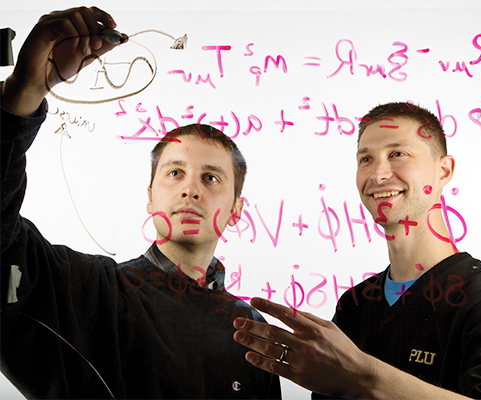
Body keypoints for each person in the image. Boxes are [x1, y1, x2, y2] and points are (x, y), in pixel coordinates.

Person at [0, 6, 281, 399]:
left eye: (211, 178)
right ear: (150, 198)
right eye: (174, 173)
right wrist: (21, 96)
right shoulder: (92, 293)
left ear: (236, 210)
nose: (190, 190)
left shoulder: (249, 329)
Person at [232, 103, 481, 399]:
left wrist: (364, 375)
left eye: (397, 154)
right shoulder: (355, 306)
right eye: (366, 159)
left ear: (443, 171)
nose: (378, 174)